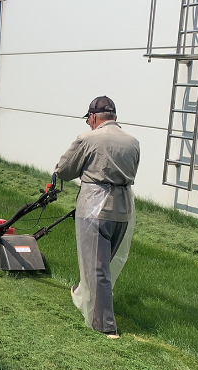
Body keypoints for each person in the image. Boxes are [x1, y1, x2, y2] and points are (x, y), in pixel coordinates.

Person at [54, 96, 140, 339]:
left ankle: (105, 325)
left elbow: (64, 170)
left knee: (97, 268)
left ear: (93, 117)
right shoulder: (133, 142)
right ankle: (82, 294)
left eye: (89, 120)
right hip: (123, 210)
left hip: (95, 208)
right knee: (101, 265)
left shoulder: (87, 138)